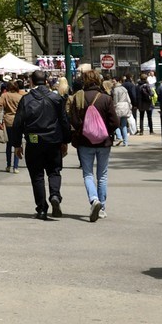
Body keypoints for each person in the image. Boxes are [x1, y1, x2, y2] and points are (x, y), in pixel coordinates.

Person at [8, 70, 67, 220]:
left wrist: (16, 144)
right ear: (46, 81)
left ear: (31, 82)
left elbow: (18, 122)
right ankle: (55, 194)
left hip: (34, 140)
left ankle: (41, 208)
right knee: (54, 171)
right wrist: (65, 140)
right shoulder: (56, 98)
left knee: (37, 175)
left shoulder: (26, 99)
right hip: (53, 139)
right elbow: (64, 120)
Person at [66, 68, 117, 221]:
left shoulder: (78, 98)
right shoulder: (105, 98)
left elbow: (73, 120)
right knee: (102, 175)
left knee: (88, 174)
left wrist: (84, 129)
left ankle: (94, 199)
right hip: (103, 142)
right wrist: (104, 131)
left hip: (84, 141)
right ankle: (102, 208)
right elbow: (115, 121)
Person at [0, 79, 23, 172]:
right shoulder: (20, 96)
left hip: (8, 121)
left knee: (8, 145)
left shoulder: (4, 95)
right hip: (18, 121)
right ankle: (16, 167)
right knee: (17, 144)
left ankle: (8, 165)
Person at [110, 74, 132, 146]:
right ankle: (126, 142)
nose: (113, 83)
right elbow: (128, 99)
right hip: (125, 106)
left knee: (116, 124)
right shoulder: (124, 89)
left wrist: (114, 106)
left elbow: (115, 101)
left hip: (119, 107)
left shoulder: (116, 90)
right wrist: (129, 106)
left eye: (113, 81)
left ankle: (119, 137)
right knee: (124, 125)